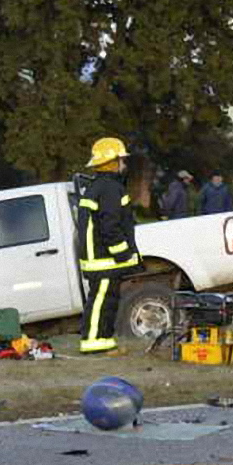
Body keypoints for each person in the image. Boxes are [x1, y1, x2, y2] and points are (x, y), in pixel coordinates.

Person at [75, 136, 140, 356]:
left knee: (108, 300)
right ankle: (92, 341)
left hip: (102, 259)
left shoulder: (102, 187)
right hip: (103, 259)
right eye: (121, 159)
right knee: (101, 300)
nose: (124, 164)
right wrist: (122, 253)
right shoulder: (109, 189)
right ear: (111, 162)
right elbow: (110, 226)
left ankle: (103, 340)